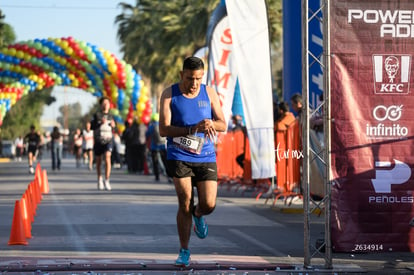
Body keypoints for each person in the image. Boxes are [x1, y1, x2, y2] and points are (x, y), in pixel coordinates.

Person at [159, 56, 226, 267]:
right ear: (182, 75)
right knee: (184, 201)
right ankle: (184, 250)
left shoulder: (209, 92)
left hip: (205, 155)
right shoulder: (169, 94)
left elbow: (223, 124)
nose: (194, 83)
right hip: (179, 155)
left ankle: (199, 215)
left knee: (209, 204)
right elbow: (163, 129)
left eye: (198, 78)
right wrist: (191, 129)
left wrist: (210, 123)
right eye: (189, 78)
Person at [91, 96, 115, 191]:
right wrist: (100, 123)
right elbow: (92, 126)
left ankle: (107, 180)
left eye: (107, 103)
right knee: (99, 161)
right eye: (104, 103)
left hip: (108, 140)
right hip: (98, 140)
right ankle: (99, 179)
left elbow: (115, 128)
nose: (106, 105)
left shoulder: (111, 116)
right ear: (101, 105)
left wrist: (114, 126)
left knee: (108, 157)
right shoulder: (97, 115)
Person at [146, 113, 169, 181]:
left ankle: (157, 176)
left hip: (154, 146)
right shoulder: (161, 124)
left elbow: (147, 134)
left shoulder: (151, 126)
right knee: (165, 161)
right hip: (162, 146)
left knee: (155, 162)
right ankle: (169, 175)